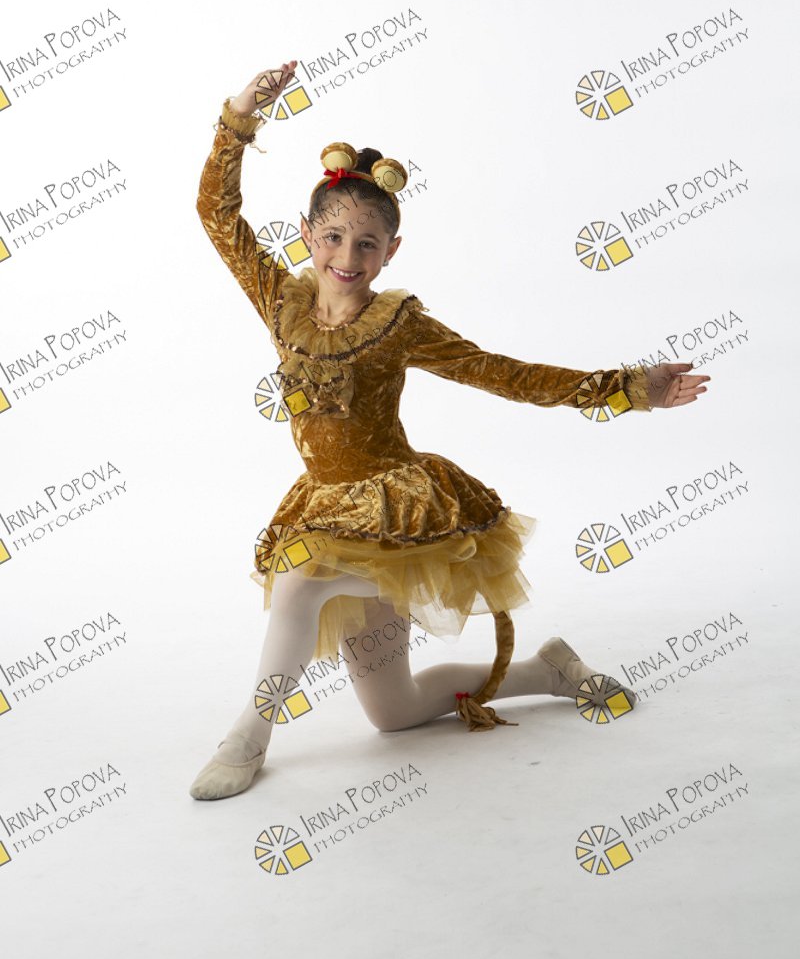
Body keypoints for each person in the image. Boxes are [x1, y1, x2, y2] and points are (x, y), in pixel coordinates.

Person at [189, 60, 711, 801]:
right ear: (306, 234)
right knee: (395, 712)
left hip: (397, 510)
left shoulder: (399, 324)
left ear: (391, 251)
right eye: (332, 237)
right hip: (324, 502)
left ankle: (248, 736)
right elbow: (215, 211)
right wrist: (238, 120)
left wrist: (625, 388)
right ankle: (548, 670)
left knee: (299, 582)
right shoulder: (279, 298)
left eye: (367, 244)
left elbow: (502, 372)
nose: (347, 258)